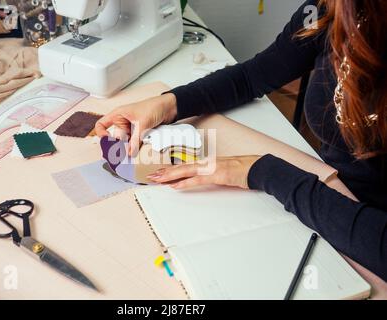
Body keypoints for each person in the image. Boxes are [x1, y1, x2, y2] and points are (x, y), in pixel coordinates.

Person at [95, 0, 387, 281]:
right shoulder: (331, 9)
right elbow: (255, 75)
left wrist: (261, 172)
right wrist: (170, 104)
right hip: (331, 192)